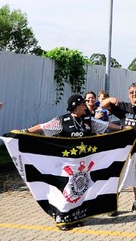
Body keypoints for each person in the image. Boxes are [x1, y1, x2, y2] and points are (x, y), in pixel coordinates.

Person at [21, 94, 122, 230]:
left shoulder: (87, 120)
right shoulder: (62, 121)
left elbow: (104, 125)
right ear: (75, 107)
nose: (84, 107)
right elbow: (43, 127)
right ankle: (62, 219)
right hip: (66, 165)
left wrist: (122, 129)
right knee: (67, 192)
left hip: (83, 165)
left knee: (80, 191)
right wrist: (25, 131)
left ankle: (75, 216)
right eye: (82, 105)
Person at [100, 83, 136, 216]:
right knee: (118, 179)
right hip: (125, 151)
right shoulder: (123, 107)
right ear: (129, 95)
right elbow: (103, 105)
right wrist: (110, 99)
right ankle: (113, 206)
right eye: (132, 92)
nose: (135, 94)